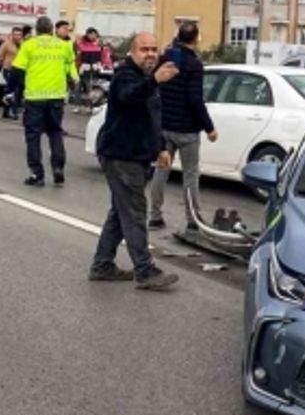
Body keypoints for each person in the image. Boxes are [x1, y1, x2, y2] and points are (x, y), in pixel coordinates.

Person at [90, 31, 180, 290]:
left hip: (137, 155)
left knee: (121, 213)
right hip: (121, 154)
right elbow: (128, 97)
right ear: (132, 52)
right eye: (144, 49)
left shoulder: (147, 78)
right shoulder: (125, 75)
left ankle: (102, 265)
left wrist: (161, 148)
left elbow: (152, 116)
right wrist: (154, 80)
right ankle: (145, 270)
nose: (150, 54)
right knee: (135, 212)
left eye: (154, 49)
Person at [146, 22, 218, 232]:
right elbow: (195, 99)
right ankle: (192, 219)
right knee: (191, 175)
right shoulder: (194, 64)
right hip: (187, 130)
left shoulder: (165, 58)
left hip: (165, 126)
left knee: (161, 170)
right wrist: (209, 128)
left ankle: (155, 216)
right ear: (195, 39)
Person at [12, 16, 79, 187]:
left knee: (33, 136)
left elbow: (17, 69)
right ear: (51, 29)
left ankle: (37, 174)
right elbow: (70, 67)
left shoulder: (29, 45)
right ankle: (58, 167)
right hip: (56, 97)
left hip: (35, 97)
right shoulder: (64, 45)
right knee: (55, 132)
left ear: (36, 30)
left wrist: (18, 89)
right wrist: (72, 80)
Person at [0, 27, 24, 119]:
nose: (17, 37)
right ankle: (14, 112)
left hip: (19, 70)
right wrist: (4, 65)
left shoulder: (23, 44)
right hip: (9, 69)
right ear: (12, 35)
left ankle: (5, 112)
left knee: (10, 91)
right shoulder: (6, 44)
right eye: (15, 34)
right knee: (14, 90)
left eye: (19, 35)